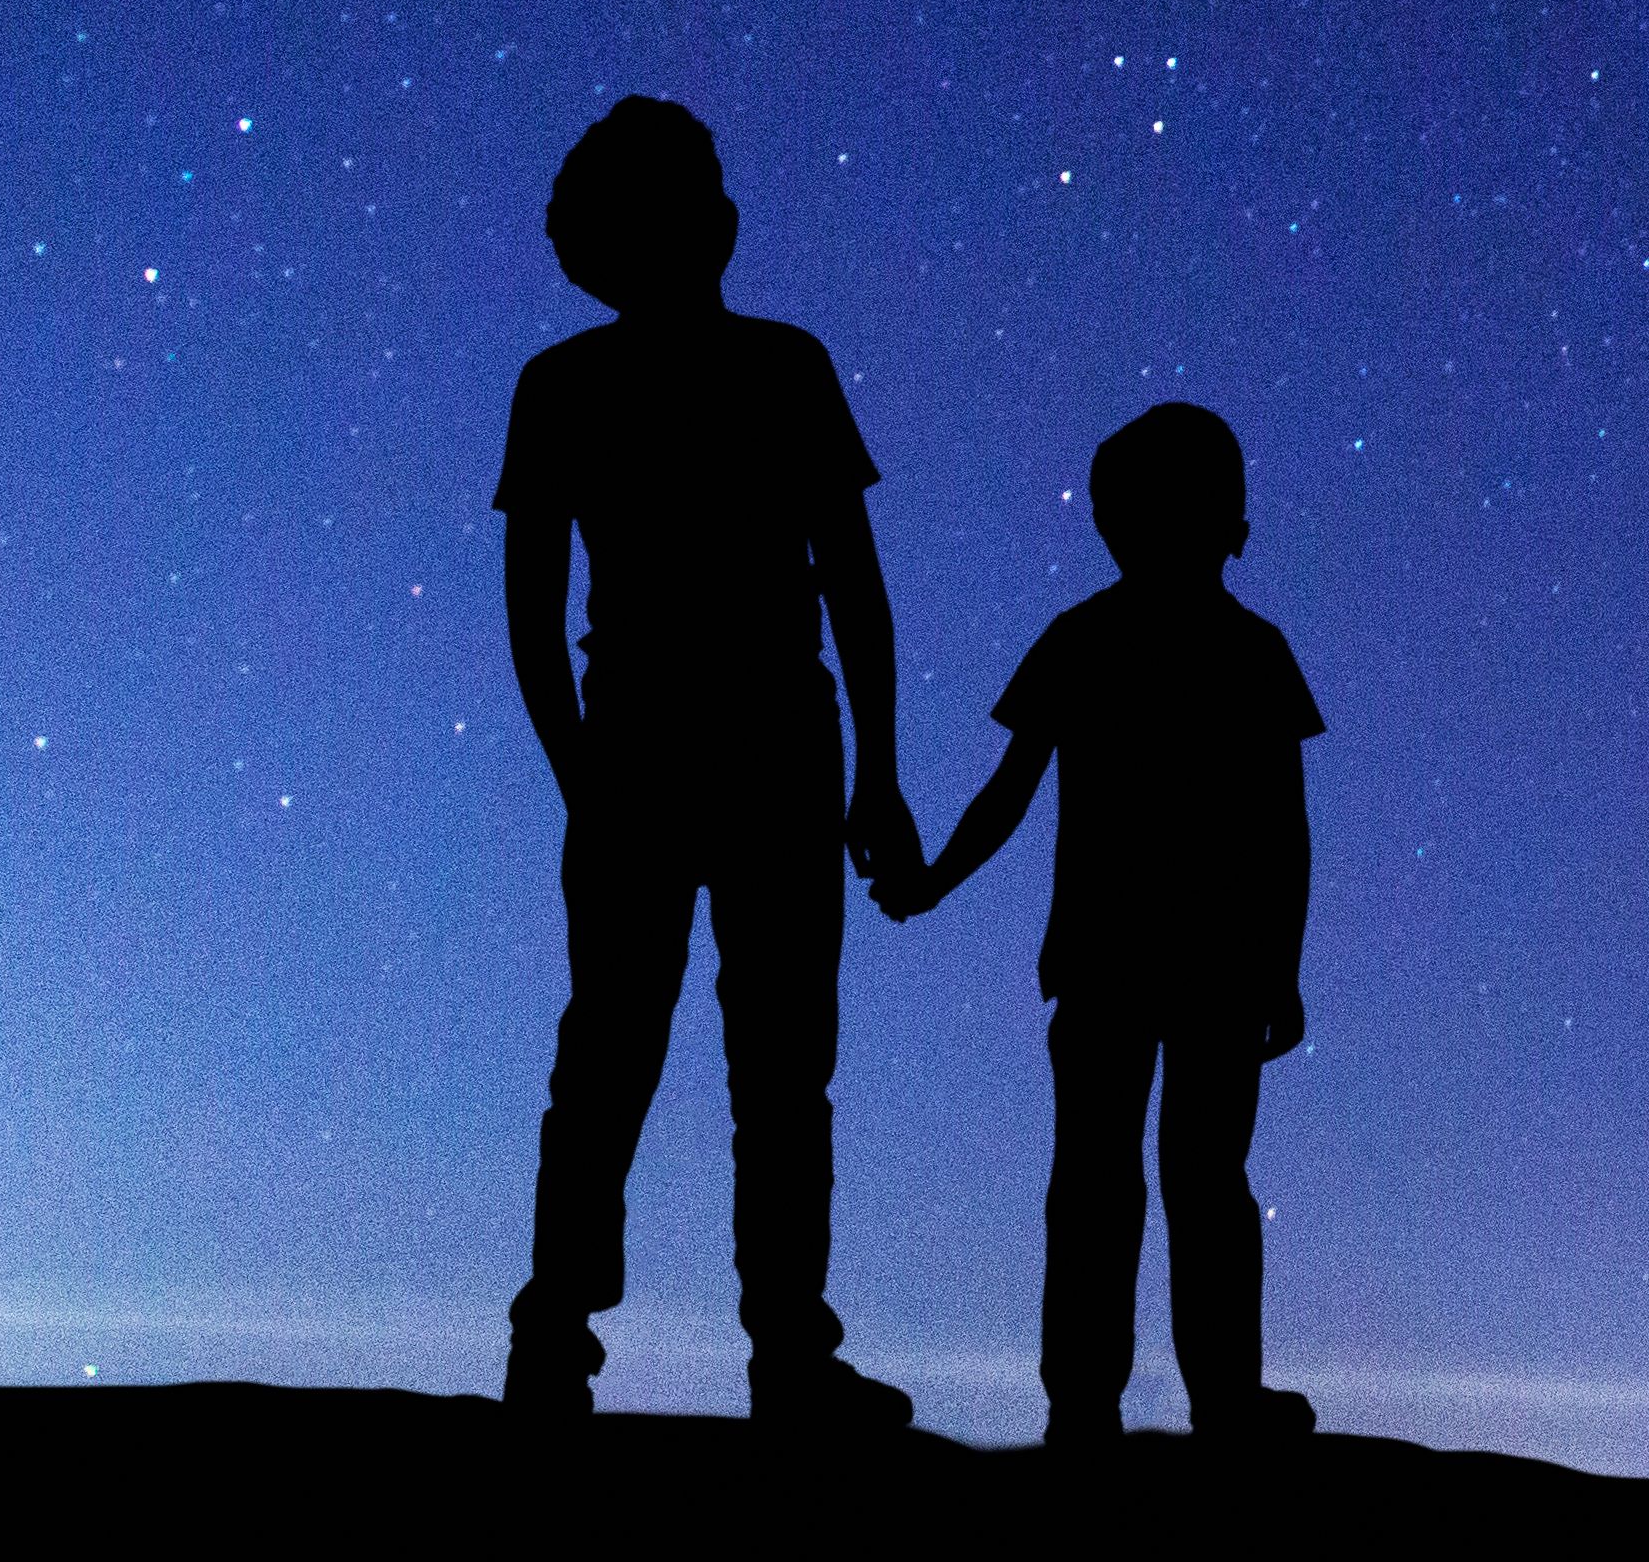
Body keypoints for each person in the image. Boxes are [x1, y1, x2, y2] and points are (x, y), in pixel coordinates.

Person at [494, 95, 925, 1426]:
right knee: (717, 1060)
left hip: (718, 748)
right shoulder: (688, 374)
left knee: (692, 1055)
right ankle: (660, 1345)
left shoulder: (631, 379)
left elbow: (850, 581)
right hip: (722, 746)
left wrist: (876, 774)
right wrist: (878, 774)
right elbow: (850, 583)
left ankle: (642, 1345)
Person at [874, 400, 1322, 1446]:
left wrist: (937, 878)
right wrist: (1282, 966)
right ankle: (1152, 1397)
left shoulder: (1118, 639)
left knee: (1126, 1181)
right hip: (1170, 960)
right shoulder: (1230, 648)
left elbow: (1278, 831)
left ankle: (1127, 1397)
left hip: (1149, 959)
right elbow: (1283, 834)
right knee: (1158, 1180)